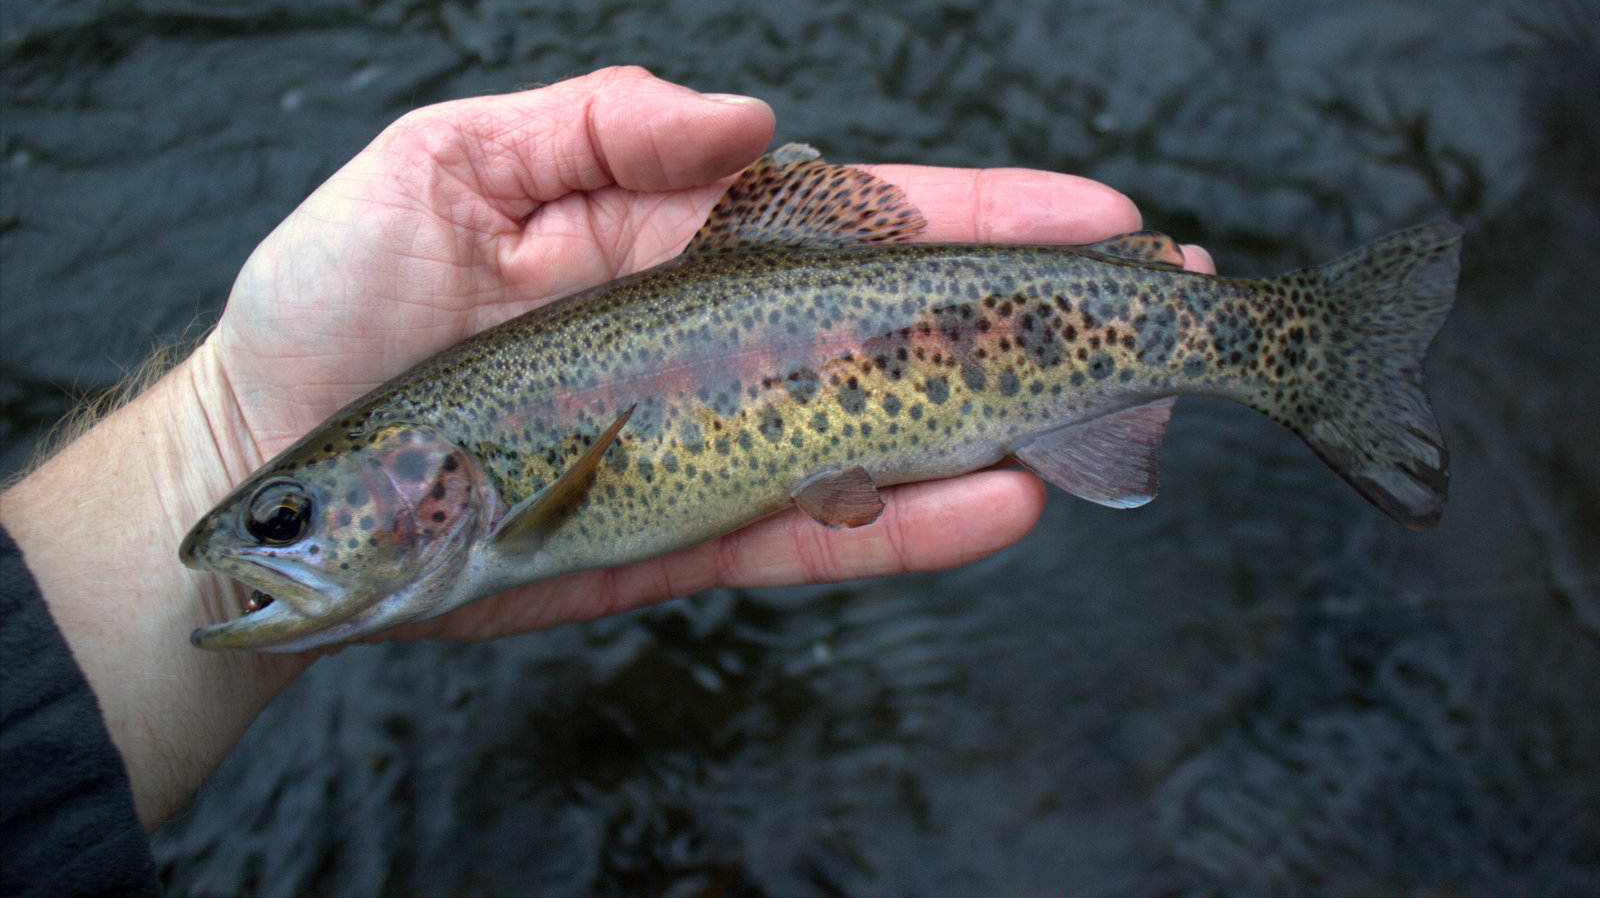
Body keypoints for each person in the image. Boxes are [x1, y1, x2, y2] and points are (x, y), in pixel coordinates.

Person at [0, 66, 1212, 892]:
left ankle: (1257, 344)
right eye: (286, 517)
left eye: (286, 517)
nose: (269, 539)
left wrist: (219, 447)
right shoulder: (457, 481)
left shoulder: (478, 497)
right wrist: (215, 442)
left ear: (434, 479)